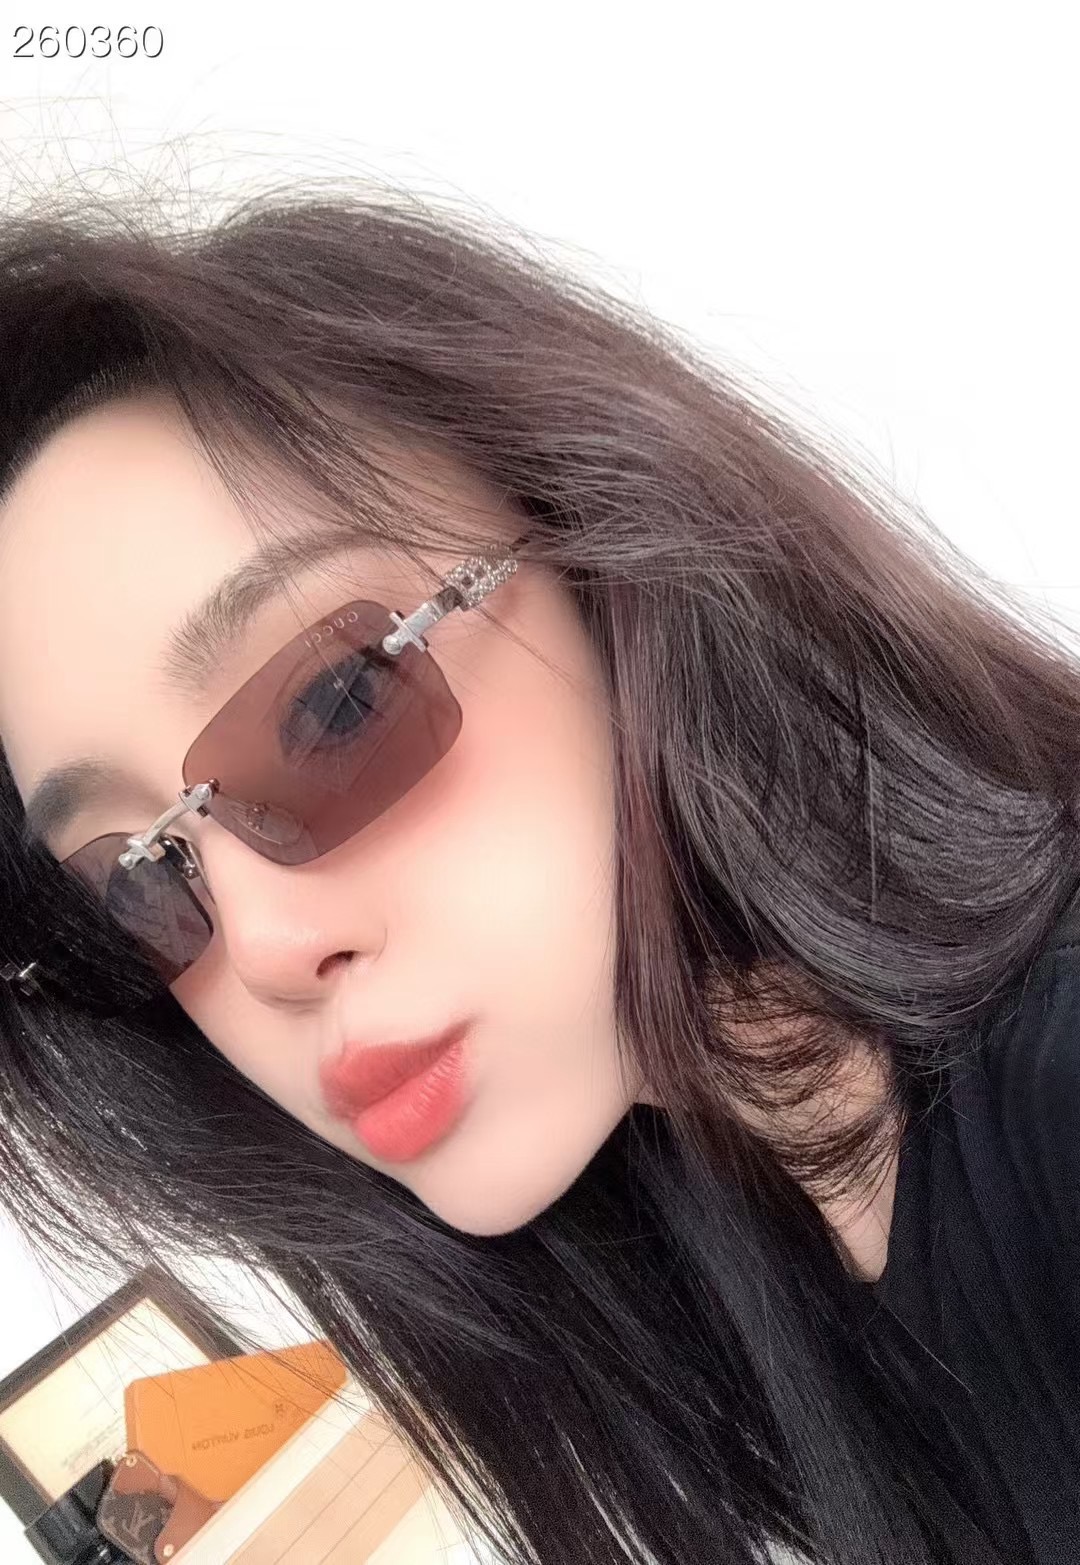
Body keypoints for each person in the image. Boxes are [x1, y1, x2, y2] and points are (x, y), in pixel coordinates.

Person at [2, 181, 1079, 1565]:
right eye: (136, 883)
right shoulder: (713, 1239)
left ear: (603, 557)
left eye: (333, 704)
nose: (260, 947)